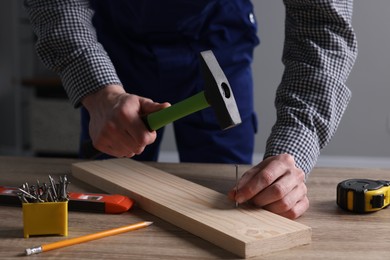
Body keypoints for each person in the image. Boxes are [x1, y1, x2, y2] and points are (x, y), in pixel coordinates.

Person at [24, 0, 357, 219]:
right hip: (115, 40)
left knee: (236, 202)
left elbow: (322, 25)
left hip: (218, 31)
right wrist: (99, 92)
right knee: (105, 186)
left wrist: (291, 155)